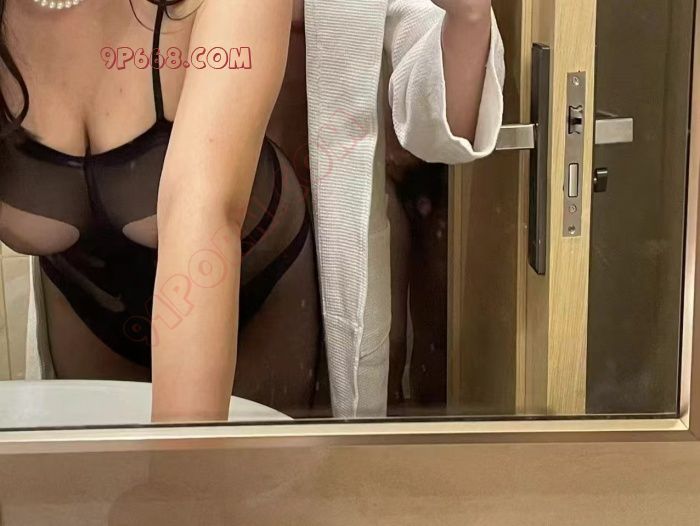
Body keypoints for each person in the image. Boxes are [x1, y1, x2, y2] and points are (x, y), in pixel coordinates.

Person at [0, 0, 324, 420]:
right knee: (100, 464)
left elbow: (205, 211)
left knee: (236, 463)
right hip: (88, 307)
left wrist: (178, 462)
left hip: (253, 287)